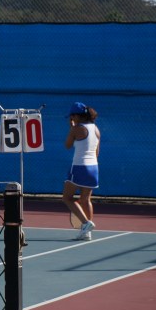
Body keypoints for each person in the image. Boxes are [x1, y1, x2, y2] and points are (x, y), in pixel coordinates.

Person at [62, 102, 100, 240]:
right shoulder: (96, 129)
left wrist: (71, 128)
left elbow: (67, 145)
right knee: (85, 200)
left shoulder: (76, 129)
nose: (71, 119)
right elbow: (96, 152)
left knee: (67, 198)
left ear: (77, 116)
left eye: (72, 116)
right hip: (93, 168)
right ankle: (86, 232)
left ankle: (85, 223)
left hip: (79, 167)